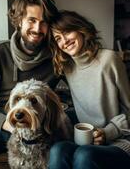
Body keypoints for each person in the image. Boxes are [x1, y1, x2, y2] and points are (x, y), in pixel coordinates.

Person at [0, 0, 60, 168]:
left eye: (43, 23)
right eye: (31, 20)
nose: (37, 28)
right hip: (0, 122)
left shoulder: (57, 57)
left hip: (40, 126)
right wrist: (7, 124)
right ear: (19, 21)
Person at [48, 10, 130, 169]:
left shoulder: (109, 60)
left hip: (120, 141)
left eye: (67, 32)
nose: (64, 41)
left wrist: (107, 133)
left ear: (80, 29)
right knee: (58, 150)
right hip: (87, 141)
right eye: (58, 38)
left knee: (84, 154)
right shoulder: (67, 68)